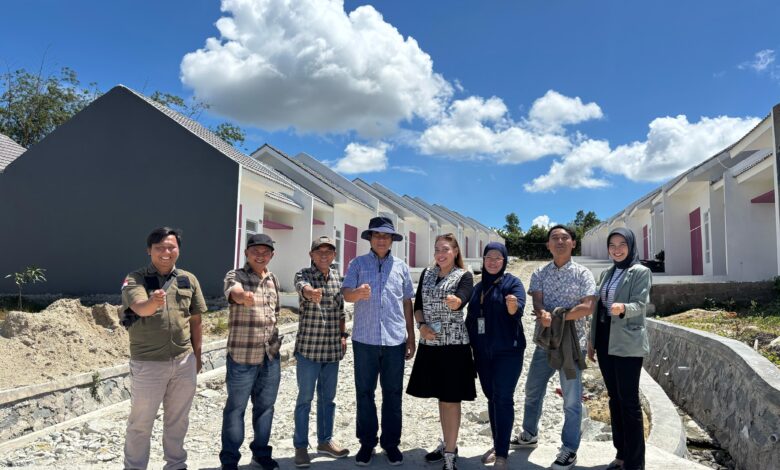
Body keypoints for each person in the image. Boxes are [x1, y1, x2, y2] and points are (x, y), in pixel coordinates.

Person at [120, 227, 207, 470]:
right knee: (140, 423)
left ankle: (176, 464)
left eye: (171, 247)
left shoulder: (188, 279)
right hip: (148, 363)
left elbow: (196, 321)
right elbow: (141, 308)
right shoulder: (135, 278)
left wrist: (197, 357)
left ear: (178, 249)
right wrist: (153, 301)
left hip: (183, 361)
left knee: (178, 421)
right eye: (159, 248)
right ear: (149, 251)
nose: (166, 252)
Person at [511, 225, 597, 470]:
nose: (560, 241)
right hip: (545, 343)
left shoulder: (583, 274)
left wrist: (557, 317)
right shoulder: (540, 272)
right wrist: (542, 313)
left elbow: (588, 307)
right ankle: (529, 433)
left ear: (573, 243)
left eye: (565, 238)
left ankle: (569, 448)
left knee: (571, 398)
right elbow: (537, 302)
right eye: (554, 238)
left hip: (573, 346)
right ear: (548, 245)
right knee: (533, 389)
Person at [342, 216, 415, 467]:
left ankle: (391, 444)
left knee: (393, 394)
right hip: (365, 340)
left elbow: (407, 302)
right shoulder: (357, 264)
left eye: (386, 236)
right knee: (364, 393)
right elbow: (346, 294)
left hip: (395, 339)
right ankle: (366, 443)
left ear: (392, 240)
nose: (381, 239)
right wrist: (356, 293)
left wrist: (411, 337)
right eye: (377, 235)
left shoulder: (401, 267)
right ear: (370, 238)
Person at [407, 234, 475, 470]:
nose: (440, 253)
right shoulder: (427, 274)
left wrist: (457, 301)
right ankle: (447, 443)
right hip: (430, 343)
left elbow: (464, 297)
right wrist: (421, 326)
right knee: (441, 397)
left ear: (455, 251)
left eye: (445, 249)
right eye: (437, 249)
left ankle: (450, 453)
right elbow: (418, 306)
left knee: (451, 399)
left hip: (454, 346)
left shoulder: (464, 275)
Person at [588, 228, 651, 470]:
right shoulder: (607, 273)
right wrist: (592, 340)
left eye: (622, 244)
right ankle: (621, 455)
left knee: (629, 401)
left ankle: (635, 464)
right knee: (614, 399)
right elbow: (598, 309)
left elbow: (641, 304)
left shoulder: (640, 272)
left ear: (631, 246)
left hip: (627, 342)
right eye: (612, 245)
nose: (617, 249)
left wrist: (623, 308)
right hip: (605, 339)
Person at [219, 234, 283, 470]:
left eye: (265, 252)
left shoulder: (273, 279)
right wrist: (242, 297)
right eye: (255, 251)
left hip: (270, 357)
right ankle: (229, 460)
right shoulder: (235, 275)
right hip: (242, 357)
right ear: (246, 253)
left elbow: (275, 314)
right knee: (236, 409)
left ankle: (261, 453)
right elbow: (234, 292)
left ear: (272, 255)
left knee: (265, 408)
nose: (260, 255)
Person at [465, 242, 526, 470]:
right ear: (483, 260)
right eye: (488, 257)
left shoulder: (513, 283)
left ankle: (502, 455)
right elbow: (471, 320)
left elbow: (518, 310)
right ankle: (498, 443)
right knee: (491, 397)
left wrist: (512, 306)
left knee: (503, 398)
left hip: (508, 351)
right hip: (482, 353)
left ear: (504, 261)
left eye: (497, 258)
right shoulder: (478, 288)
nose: (492, 262)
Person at [292, 236, 351, 467]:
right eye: (319, 251)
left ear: (334, 255)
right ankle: (300, 447)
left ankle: (325, 442)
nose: (324, 255)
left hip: (332, 350)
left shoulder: (337, 277)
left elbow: (341, 311)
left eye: (328, 252)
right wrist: (310, 293)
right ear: (312, 255)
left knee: (328, 399)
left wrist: (343, 335)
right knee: (304, 400)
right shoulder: (304, 274)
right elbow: (302, 288)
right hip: (309, 350)